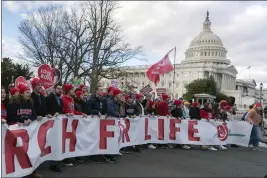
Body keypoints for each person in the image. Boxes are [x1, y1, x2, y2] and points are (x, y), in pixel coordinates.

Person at [6, 85, 42, 178]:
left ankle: (32, 171)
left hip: (28, 132)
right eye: (27, 92)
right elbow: (9, 117)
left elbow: (33, 115)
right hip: (17, 133)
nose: (29, 94)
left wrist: (30, 119)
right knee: (19, 153)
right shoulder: (13, 104)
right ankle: (20, 173)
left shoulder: (30, 103)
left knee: (30, 151)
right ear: (22, 93)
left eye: (29, 92)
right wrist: (21, 121)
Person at [62, 84, 87, 166]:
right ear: (68, 90)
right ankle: (64, 159)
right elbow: (61, 111)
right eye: (72, 89)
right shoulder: (63, 99)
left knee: (72, 140)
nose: (74, 91)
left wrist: (81, 113)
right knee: (65, 141)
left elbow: (73, 111)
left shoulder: (72, 99)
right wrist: (66, 114)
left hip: (72, 123)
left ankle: (70, 156)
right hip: (65, 124)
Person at [46, 84, 64, 172]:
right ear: (54, 89)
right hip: (51, 124)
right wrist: (51, 114)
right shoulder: (49, 98)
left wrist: (60, 113)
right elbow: (45, 110)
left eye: (61, 89)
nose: (60, 90)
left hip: (58, 124)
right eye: (58, 89)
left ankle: (56, 161)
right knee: (51, 143)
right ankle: (52, 163)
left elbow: (61, 110)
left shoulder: (61, 99)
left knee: (57, 142)